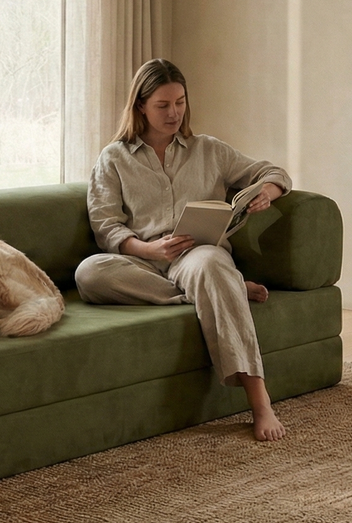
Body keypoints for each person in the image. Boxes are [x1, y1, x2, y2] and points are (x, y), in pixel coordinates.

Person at [75, 58, 292, 442]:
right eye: (163, 105)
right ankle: (226, 289)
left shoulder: (208, 150)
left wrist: (267, 192)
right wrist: (148, 248)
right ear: (140, 105)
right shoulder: (113, 158)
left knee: (210, 265)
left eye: (180, 102)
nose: (174, 113)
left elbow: (274, 172)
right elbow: (105, 225)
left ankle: (260, 400)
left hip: (199, 256)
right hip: (140, 261)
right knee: (89, 273)